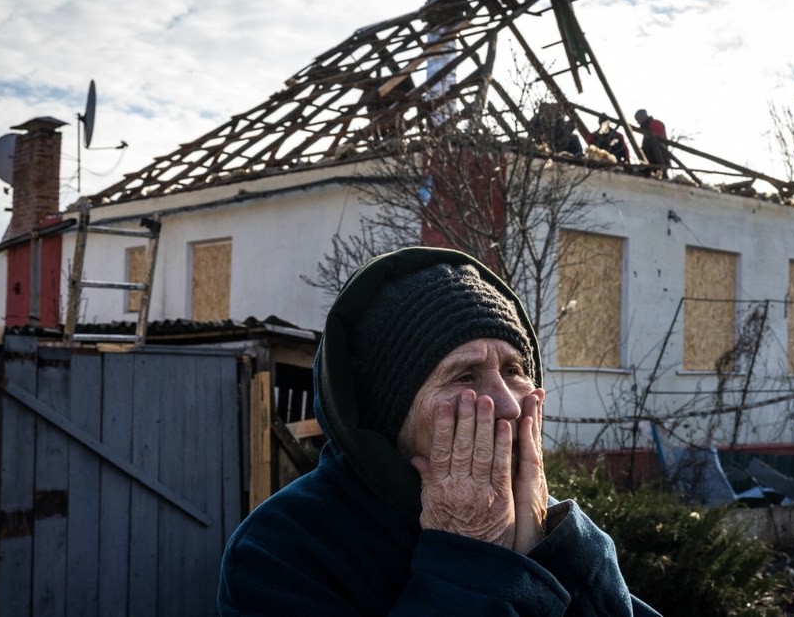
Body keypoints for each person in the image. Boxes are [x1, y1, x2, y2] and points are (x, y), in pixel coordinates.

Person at [219, 247, 659, 616]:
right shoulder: (282, 551)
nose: (507, 404)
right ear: (388, 418)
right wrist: (470, 559)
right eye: (464, 377)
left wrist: (559, 547)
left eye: (514, 369)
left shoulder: (530, 516)